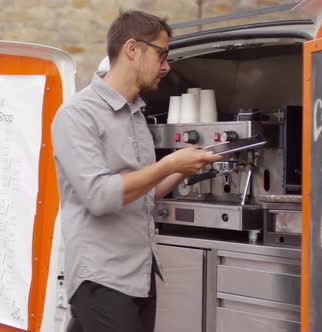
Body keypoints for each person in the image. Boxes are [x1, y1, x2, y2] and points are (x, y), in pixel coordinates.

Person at [51, 10, 223, 332]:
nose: (166, 66)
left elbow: (142, 194)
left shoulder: (136, 114)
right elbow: (99, 196)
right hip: (100, 279)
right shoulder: (76, 115)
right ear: (132, 49)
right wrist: (167, 164)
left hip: (141, 276)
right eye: (161, 54)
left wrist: (186, 167)